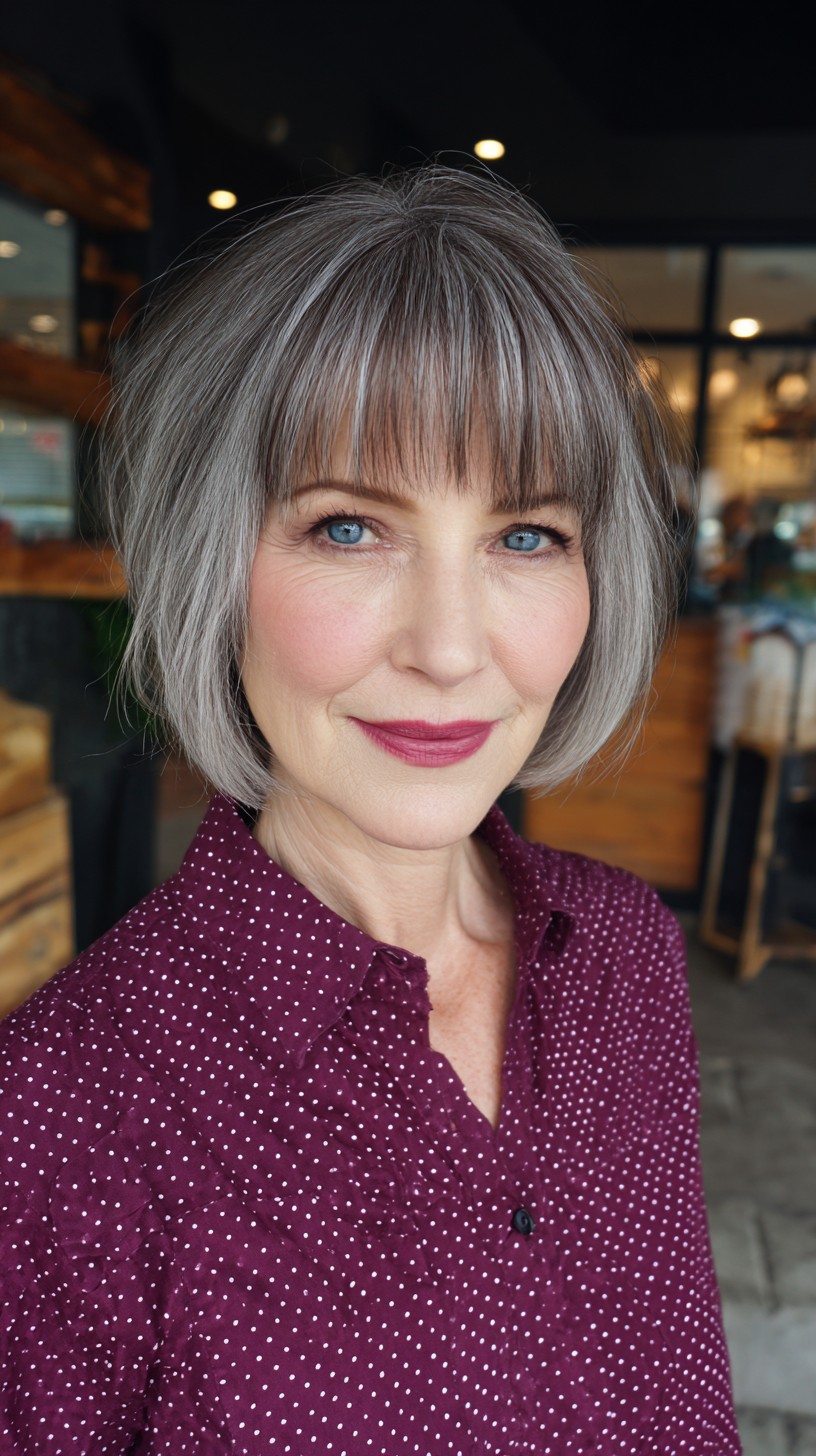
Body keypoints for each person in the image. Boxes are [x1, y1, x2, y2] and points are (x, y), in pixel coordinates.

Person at [0, 165, 741, 1453]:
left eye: (526, 536)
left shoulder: (625, 957)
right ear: (206, 562)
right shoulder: (69, 1107)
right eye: (349, 527)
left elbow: (681, 1398)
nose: (452, 650)